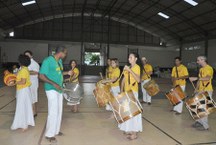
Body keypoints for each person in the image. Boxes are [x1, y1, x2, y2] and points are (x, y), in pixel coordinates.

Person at [39, 46, 71, 143]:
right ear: (61, 52)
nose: (66, 55)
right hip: (51, 89)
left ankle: (56, 130)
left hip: (59, 89)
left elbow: (59, 72)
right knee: (53, 112)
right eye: (65, 53)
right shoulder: (48, 60)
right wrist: (54, 83)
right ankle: (49, 134)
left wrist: (67, 72)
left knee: (59, 111)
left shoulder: (59, 61)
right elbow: (41, 75)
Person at [119, 52, 142, 140]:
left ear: (136, 59)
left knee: (135, 114)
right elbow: (124, 79)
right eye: (129, 57)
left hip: (133, 93)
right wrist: (121, 91)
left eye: (131, 57)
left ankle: (134, 133)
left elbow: (138, 80)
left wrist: (130, 70)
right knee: (127, 112)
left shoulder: (137, 67)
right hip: (126, 93)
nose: (129, 59)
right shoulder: (127, 68)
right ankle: (129, 129)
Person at [11, 54, 35, 131]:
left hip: (23, 90)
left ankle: (24, 125)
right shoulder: (23, 69)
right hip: (23, 90)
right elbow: (20, 77)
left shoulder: (24, 70)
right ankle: (25, 122)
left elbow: (23, 82)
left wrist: (14, 82)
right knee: (24, 106)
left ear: (21, 61)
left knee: (22, 107)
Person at [189, 56, 214, 131]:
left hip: (206, 90)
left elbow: (207, 78)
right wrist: (196, 89)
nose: (197, 62)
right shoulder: (201, 69)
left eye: (198, 60)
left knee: (203, 109)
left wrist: (196, 78)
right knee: (197, 107)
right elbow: (199, 81)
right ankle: (199, 122)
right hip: (200, 90)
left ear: (203, 60)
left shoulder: (209, 68)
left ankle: (205, 126)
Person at [24, 50, 40, 117]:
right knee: (27, 98)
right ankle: (29, 112)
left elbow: (36, 72)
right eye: (25, 55)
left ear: (31, 55)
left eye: (28, 55)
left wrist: (26, 72)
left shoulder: (34, 64)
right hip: (25, 83)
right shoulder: (24, 63)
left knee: (33, 98)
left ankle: (34, 112)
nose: (26, 56)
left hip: (33, 83)